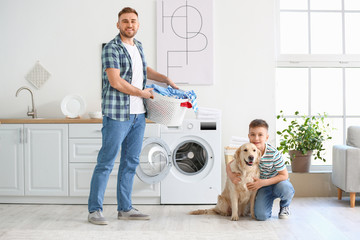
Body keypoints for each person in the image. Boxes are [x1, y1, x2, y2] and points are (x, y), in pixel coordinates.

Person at [88, 7, 178, 225]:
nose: (130, 25)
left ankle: (125, 208)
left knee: (130, 162)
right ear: (118, 24)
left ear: (138, 25)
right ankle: (94, 210)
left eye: (133, 21)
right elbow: (115, 81)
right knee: (106, 162)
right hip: (118, 115)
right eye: (125, 21)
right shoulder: (112, 48)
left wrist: (164, 78)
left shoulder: (138, 46)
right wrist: (142, 92)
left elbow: (143, 71)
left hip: (138, 116)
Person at [226, 119, 295, 221]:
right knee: (261, 216)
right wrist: (231, 176)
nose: (256, 138)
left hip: (277, 183)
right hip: (262, 188)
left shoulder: (273, 153)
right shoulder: (248, 152)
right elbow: (230, 164)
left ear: (266, 137)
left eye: (260, 135)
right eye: (253, 134)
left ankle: (285, 206)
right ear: (249, 136)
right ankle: (264, 203)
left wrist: (263, 182)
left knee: (286, 188)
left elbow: (284, 175)